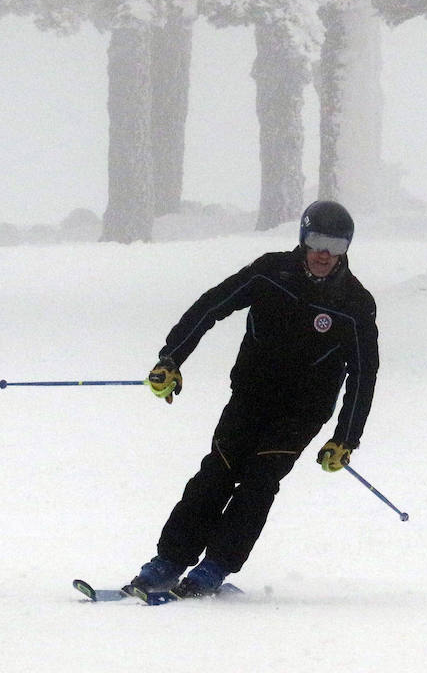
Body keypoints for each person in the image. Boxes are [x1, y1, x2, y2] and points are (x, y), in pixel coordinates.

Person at [128, 200, 380, 596]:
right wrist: (172, 358)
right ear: (302, 237)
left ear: (346, 248)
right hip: (250, 395)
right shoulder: (271, 272)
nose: (324, 253)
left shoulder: (355, 304)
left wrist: (345, 437)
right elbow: (212, 305)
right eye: (316, 240)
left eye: (335, 244)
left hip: (301, 413)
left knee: (259, 482)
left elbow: (364, 374)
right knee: (217, 472)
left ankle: (215, 567)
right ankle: (170, 560)